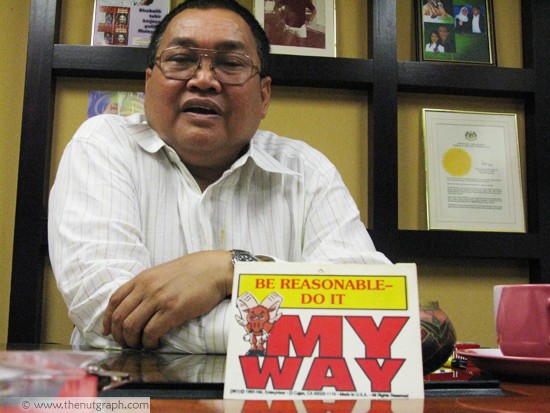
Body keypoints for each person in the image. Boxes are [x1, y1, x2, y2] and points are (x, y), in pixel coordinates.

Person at [48, 0, 390, 354]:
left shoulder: (307, 171)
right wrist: (292, 322)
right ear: (149, 82)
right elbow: (112, 316)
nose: (204, 79)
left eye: (230, 64)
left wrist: (228, 270)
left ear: (263, 95)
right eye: (180, 60)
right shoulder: (103, 145)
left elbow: (372, 306)